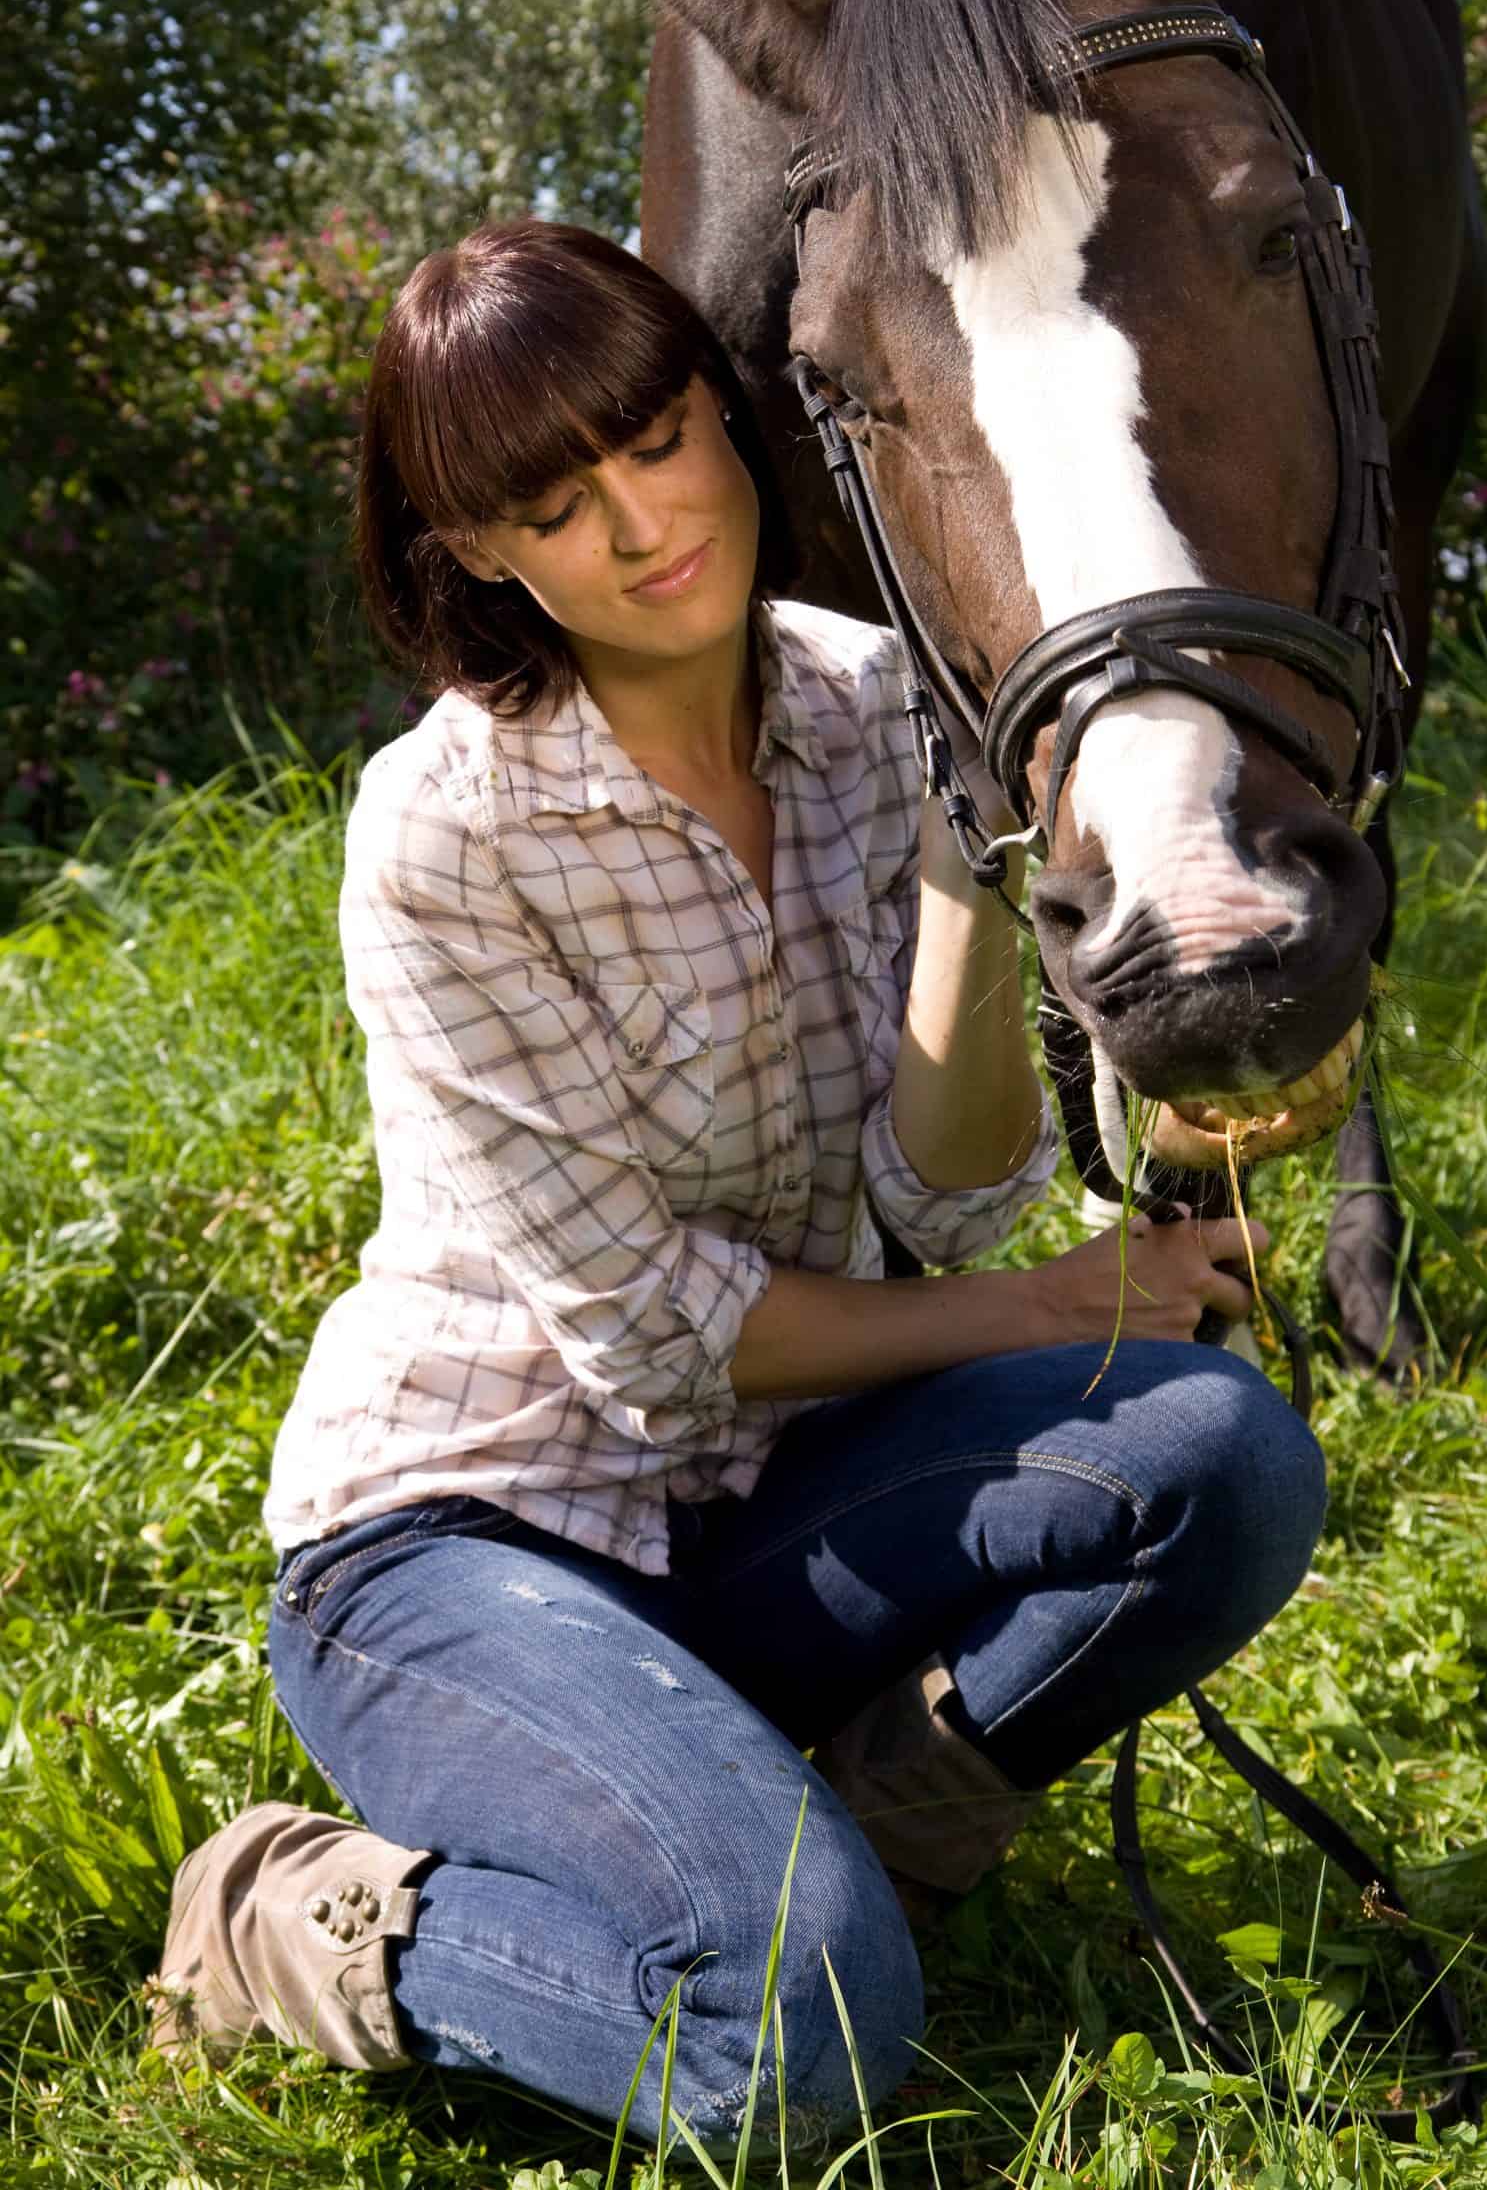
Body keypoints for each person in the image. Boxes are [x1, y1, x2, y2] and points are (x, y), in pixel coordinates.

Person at [148, 217, 1325, 2147]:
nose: (638, 524)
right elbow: (652, 1348)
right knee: (803, 2041)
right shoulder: (446, 836)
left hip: (777, 1502)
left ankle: (835, 1838)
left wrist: (965, 869)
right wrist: (1045, 1308)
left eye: (659, 439)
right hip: (475, 1535)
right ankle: (296, 1917)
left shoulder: (883, 703)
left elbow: (941, 1201)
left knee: (1225, 1457)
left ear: (727, 418)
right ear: (476, 554)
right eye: (553, 501)